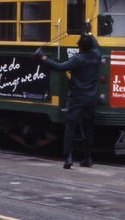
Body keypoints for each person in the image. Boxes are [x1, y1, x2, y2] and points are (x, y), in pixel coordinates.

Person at [36, 27, 101, 169]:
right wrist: (89, 32)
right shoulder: (96, 55)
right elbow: (95, 44)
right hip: (91, 99)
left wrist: (43, 58)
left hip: (76, 98)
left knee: (71, 126)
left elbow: (59, 67)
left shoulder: (78, 59)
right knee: (88, 127)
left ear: (79, 47)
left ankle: (68, 157)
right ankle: (88, 157)